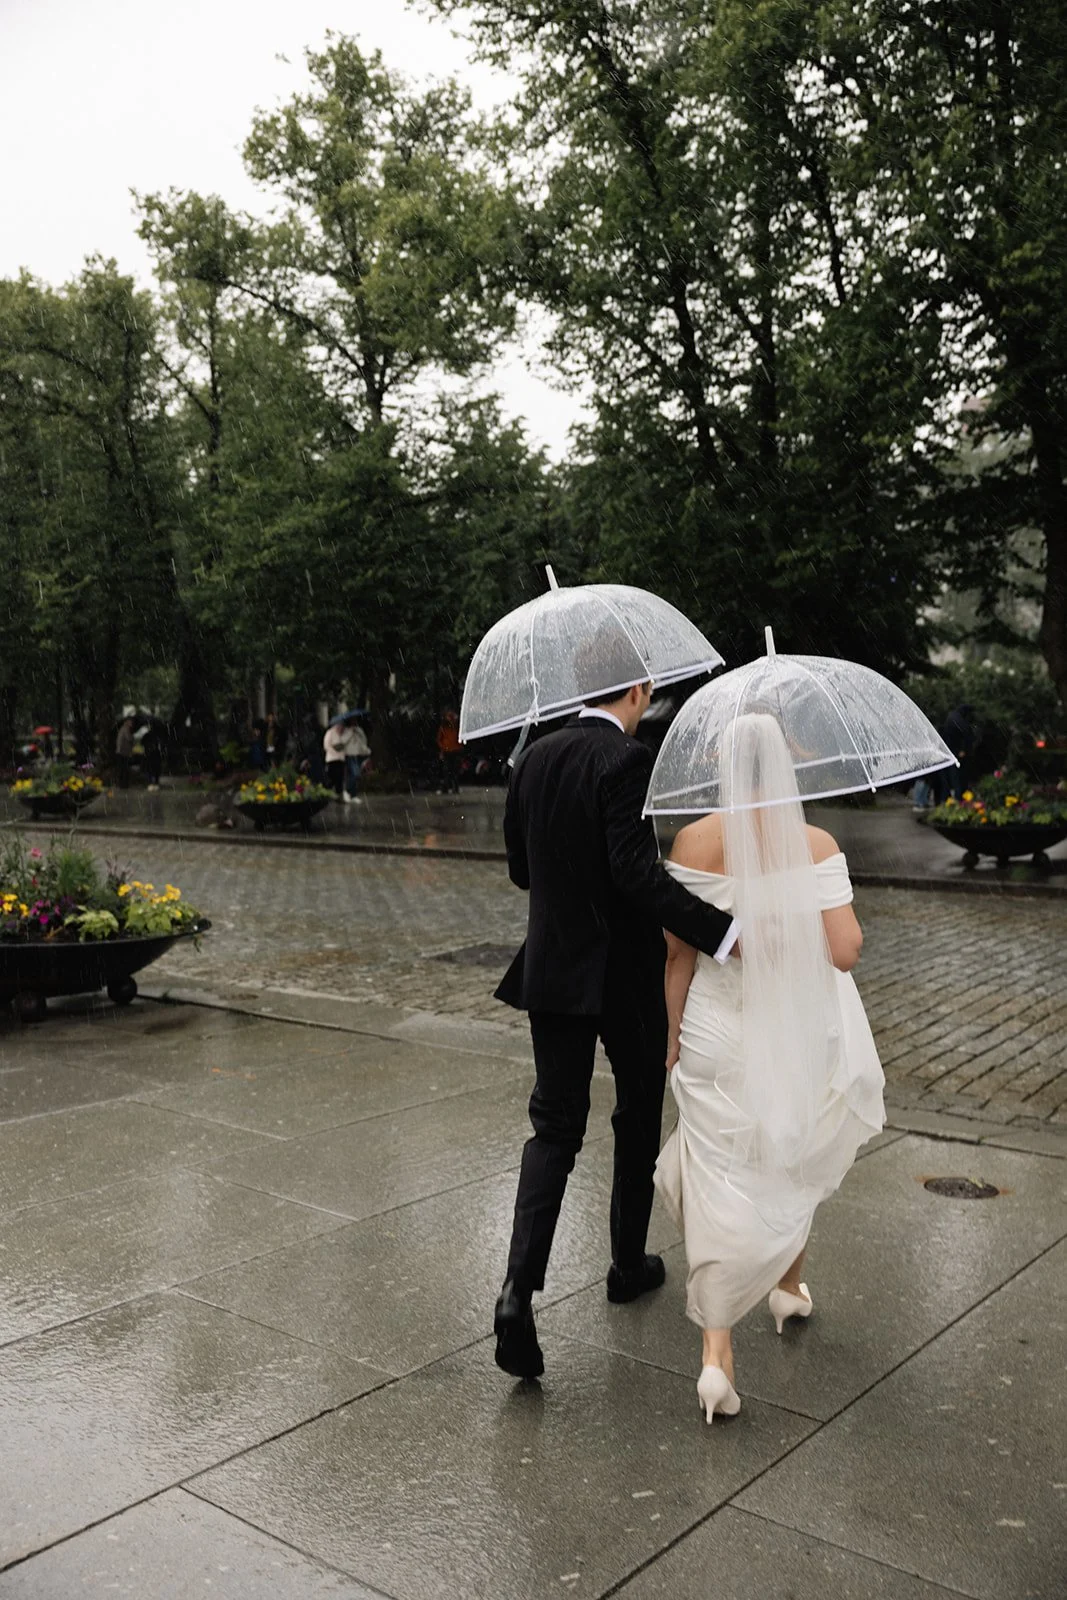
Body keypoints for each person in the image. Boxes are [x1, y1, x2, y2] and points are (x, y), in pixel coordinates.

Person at [492, 672, 739, 1381]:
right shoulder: (625, 761)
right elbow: (637, 876)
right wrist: (722, 932)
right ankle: (626, 1266)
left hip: (552, 972)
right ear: (633, 689)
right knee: (635, 1115)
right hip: (622, 977)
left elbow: (519, 871)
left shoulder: (531, 756)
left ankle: (517, 1291)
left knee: (554, 1128)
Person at [655, 713, 884, 1424]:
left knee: (719, 1166)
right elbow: (843, 951)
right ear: (789, 766)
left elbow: (677, 952)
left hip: (715, 1026)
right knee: (792, 1147)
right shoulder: (814, 843)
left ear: (723, 765)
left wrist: (671, 1039)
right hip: (793, 1024)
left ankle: (716, 1356)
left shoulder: (694, 839)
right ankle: (788, 1286)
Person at [435, 709, 462, 794]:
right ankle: (448, 788)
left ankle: (454, 788)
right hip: (448, 751)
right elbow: (439, 740)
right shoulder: (444, 727)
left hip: (454, 750)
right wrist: (443, 748)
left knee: (453, 770)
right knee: (448, 770)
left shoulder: (455, 727)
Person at [114, 716, 135, 789]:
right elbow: (129, 738)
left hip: (122, 752)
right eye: (130, 722)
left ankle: (122, 784)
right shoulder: (125, 729)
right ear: (126, 722)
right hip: (122, 752)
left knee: (122, 769)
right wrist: (133, 737)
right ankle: (123, 784)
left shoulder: (123, 729)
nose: (131, 723)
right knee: (124, 769)